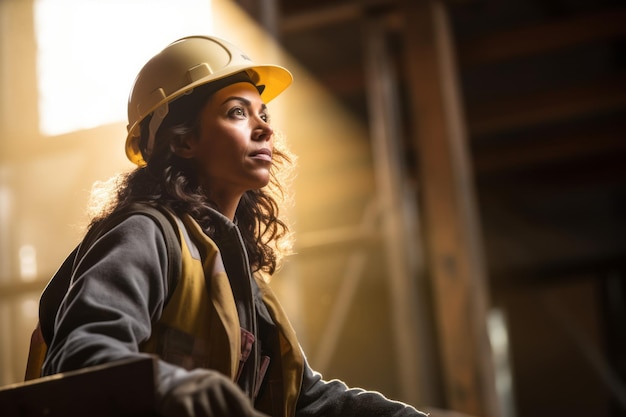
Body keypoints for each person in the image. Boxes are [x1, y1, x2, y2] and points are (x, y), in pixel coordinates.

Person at [32, 35, 428, 417]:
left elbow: (305, 399)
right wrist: (172, 385)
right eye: (237, 112)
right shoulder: (145, 234)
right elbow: (83, 354)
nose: (265, 129)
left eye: (264, 114)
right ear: (183, 142)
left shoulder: (231, 275)